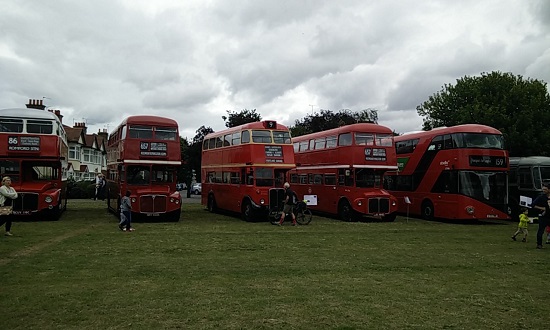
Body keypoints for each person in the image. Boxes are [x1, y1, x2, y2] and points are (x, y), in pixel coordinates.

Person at [531, 183, 550, 249]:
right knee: (541, 230)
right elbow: (533, 205)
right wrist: (542, 208)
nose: (543, 191)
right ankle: (539, 244)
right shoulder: (541, 197)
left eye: (545, 189)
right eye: (543, 189)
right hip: (543, 216)